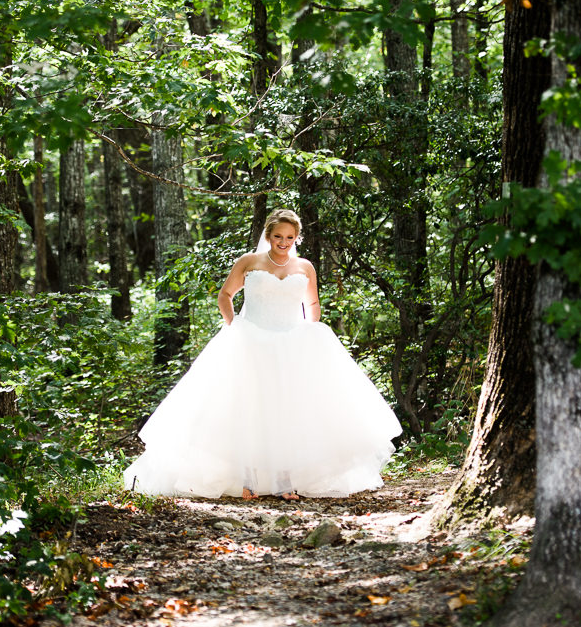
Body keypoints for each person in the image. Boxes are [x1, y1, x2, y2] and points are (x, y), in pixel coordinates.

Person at [123, 208, 401, 500]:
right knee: (248, 408)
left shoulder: (305, 266)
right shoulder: (249, 262)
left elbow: (312, 303)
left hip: (291, 344)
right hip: (251, 341)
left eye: (290, 237)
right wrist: (234, 326)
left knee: (288, 410)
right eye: (278, 236)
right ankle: (248, 481)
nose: (284, 242)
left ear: (297, 238)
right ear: (268, 235)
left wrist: (311, 332)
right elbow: (225, 295)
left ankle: (285, 481)